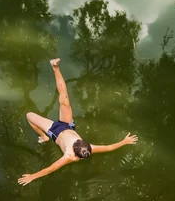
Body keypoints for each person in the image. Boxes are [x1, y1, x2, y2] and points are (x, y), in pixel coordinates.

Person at [18, 58, 138, 186]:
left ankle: (44, 137)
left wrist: (33, 176)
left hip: (54, 132)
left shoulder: (69, 156)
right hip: (68, 125)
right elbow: (109, 147)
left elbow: (50, 169)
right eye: (79, 141)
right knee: (64, 98)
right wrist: (124, 141)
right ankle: (55, 67)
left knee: (29, 115)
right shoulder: (90, 147)